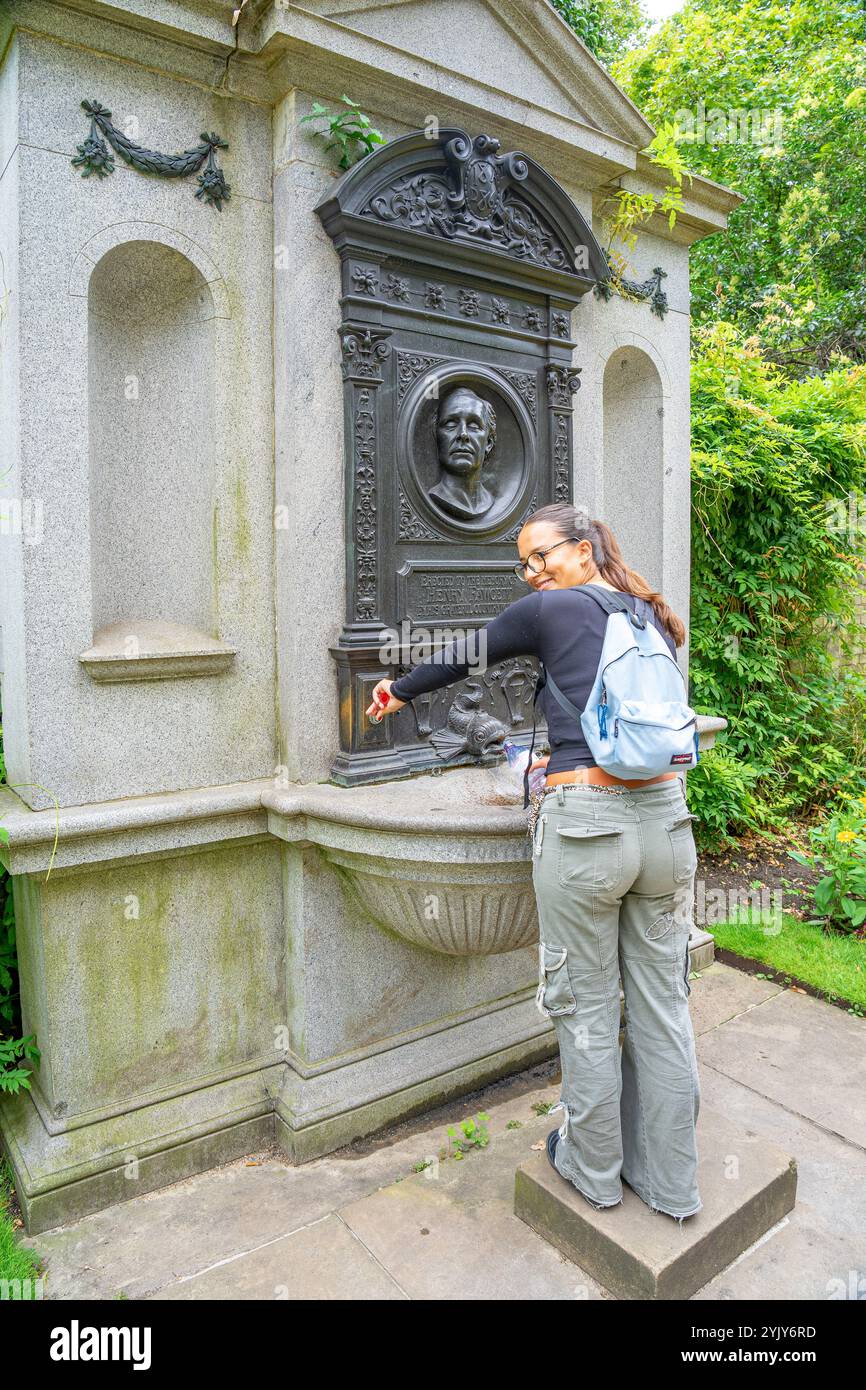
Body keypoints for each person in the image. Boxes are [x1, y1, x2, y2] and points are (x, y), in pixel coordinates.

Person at [366, 502, 702, 1225]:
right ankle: (670, 1182)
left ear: (584, 549)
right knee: (663, 1007)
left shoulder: (546, 613)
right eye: (525, 562)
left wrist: (395, 690)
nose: (533, 571)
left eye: (542, 554)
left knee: (584, 1005)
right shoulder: (647, 614)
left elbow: (464, 652)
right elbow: (618, 719)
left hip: (588, 832)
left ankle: (594, 1170)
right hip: (667, 825)